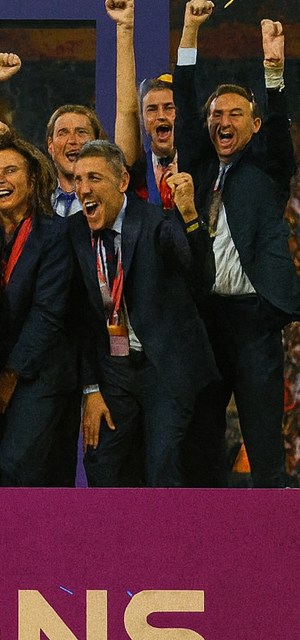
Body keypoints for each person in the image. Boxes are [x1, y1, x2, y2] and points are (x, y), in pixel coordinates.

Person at [173, 0, 300, 488]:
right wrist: (189, 31)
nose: (223, 122)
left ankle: (274, 547)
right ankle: (206, 543)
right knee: (202, 440)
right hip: (204, 319)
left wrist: (273, 69)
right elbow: (185, 97)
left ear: (255, 124)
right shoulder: (202, 166)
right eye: (216, 114)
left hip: (252, 320)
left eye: (235, 114)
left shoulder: (268, 168)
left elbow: (281, 127)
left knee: (265, 442)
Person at [69, 140, 216, 486]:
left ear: (122, 182)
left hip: (165, 366)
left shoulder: (156, 224)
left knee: (162, 466)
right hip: (115, 369)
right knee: (101, 463)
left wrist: (191, 218)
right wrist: (90, 389)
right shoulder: (75, 233)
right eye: (77, 179)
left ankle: (165, 541)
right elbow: (78, 319)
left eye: (94, 178)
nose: (83, 189)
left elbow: (202, 279)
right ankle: (111, 540)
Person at [0, 132, 79, 485]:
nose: (0, 180)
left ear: (33, 178)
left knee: (16, 464)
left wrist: (10, 376)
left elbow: (48, 314)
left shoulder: (55, 234)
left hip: (40, 372)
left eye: (10, 171)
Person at [107, 0, 178, 205]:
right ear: (144, 121)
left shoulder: (200, 165)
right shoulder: (138, 172)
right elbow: (126, 111)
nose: (161, 116)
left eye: (169, 108)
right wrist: (124, 28)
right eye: (152, 109)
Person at [41, 104, 103, 217]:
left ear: (97, 143)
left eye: (81, 132)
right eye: (63, 133)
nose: (72, 140)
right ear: (50, 146)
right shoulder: (37, 204)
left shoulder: (107, 200)